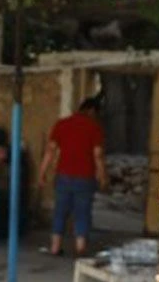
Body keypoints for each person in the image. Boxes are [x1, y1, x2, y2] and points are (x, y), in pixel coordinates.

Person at [38, 96, 109, 257]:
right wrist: (102, 175)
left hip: (63, 176)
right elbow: (97, 155)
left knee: (60, 212)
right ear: (92, 111)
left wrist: (42, 173)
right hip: (85, 178)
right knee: (82, 212)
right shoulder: (94, 127)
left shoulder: (62, 124)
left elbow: (50, 151)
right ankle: (80, 247)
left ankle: (55, 247)